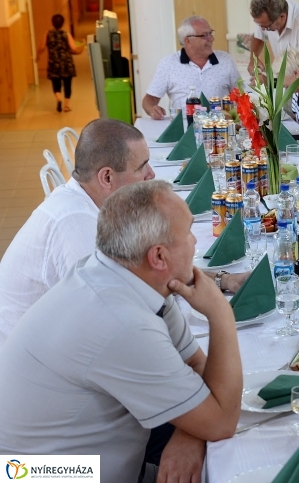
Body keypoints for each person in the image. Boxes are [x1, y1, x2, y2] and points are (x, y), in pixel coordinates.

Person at [0, 181, 243, 482]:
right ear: (158, 258)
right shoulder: (121, 321)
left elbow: (196, 365)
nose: (195, 242)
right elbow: (221, 422)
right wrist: (221, 314)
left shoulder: (119, 273)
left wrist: (189, 430)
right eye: (188, 233)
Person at [0, 119, 245, 347]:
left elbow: (144, 272)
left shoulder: (97, 206)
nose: (152, 174)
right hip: (37, 364)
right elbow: (114, 317)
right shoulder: (75, 223)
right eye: (142, 166)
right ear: (107, 177)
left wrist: (222, 279)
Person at [143, 16, 240, 120]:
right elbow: (150, 98)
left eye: (210, 33)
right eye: (204, 35)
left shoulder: (225, 60)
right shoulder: (168, 64)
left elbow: (240, 94)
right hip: (184, 130)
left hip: (220, 128)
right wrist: (152, 109)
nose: (211, 38)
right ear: (188, 40)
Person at [37, 14, 83, 113]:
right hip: (66, 62)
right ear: (63, 23)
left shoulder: (48, 33)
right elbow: (73, 48)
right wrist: (77, 50)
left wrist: (38, 56)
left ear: (52, 23)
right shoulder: (66, 33)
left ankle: (58, 98)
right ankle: (66, 106)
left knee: (56, 83)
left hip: (54, 62)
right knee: (68, 84)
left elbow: (41, 47)